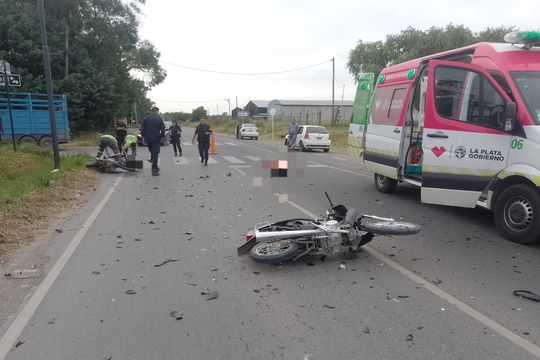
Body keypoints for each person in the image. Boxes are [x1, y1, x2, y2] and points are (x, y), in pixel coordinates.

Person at [141, 106, 165, 176]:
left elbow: (142, 129)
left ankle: (155, 165)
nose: (158, 113)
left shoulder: (146, 118)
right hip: (156, 139)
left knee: (152, 152)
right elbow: (163, 129)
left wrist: (143, 138)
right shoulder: (159, 119)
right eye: (158, 112)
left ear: (152, 111)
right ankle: (154, 170)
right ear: (157, 111)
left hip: (148, 139)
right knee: (155, 153)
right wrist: (161, 137)